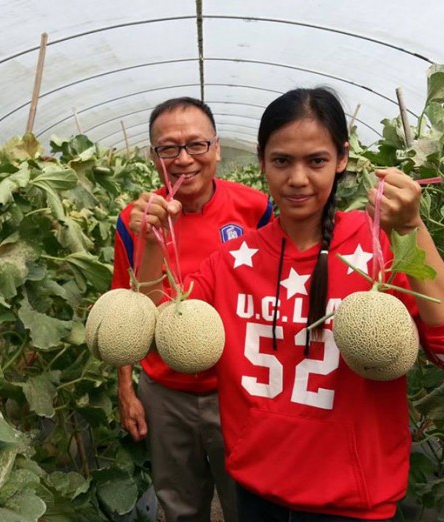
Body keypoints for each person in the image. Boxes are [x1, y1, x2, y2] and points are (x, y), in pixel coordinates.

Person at [131, 87, 444, 521]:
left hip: (353, 504)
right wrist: (152, 243)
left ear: (342, 159)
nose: (297, 178)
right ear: (261, 162)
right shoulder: (230, 261)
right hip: (256, 494)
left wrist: (412, 230)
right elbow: (145, 337)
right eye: (282, 161)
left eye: (316, 161)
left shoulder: (379, 249)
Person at [111, 97, 274, 522]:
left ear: (217, 149)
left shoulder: (257, 209)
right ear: (153, 157)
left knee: (248, 502)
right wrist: (126, 388)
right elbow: (123, 310)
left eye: (196, 145)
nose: (183, 159)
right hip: (165, 393)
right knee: (178, 504)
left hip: (239, 388)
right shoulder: (134, 220)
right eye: (168, 148)